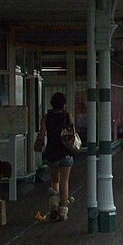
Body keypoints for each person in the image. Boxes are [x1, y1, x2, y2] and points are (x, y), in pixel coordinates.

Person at [35, 92, 73, 221]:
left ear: (51, 103)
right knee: (64, 182)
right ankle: (63, 211)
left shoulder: (46, 117)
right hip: (66, 151)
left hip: (52, 152)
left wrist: (38, 143)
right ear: (64, 104)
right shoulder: (67, 116)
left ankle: (54, 207)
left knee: (55, 181)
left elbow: (42, 134)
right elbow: (73, 132)